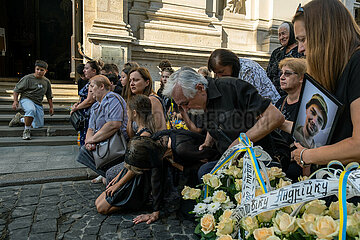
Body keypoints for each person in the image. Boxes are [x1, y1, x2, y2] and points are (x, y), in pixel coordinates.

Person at [162, 67, 284, 177]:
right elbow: (218, 121)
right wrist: (208, 142)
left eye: (186, 103)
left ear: (200, 88)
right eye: (181, 106)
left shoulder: (231, 87)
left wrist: (239, 143)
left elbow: (275, 117)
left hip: (265, 157)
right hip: (231, 160)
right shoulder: (200, 100)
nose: (185, 109)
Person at [291, 0, 360, 169]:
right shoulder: (343, 66)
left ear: (324, 33)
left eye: (304, 39)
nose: (300, 49)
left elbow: (358, 145)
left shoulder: (357, 63)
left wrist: (306, 155)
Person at [76, 75, 128, 178]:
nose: (90, 90)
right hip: (102, 143)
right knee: (83, 153)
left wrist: (92, 140)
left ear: (102, 86)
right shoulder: (95, 106)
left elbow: (114, 124)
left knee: (85, 153)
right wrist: (88, 140)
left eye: (92, 86)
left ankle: (115, 177)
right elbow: (90, 128)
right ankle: (109, 176)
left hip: (116, 143)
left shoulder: (112, 98)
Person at [208, 48, 280, 104]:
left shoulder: (248, 70)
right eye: (216, 73)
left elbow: (251, 100)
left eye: (221, 72)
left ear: (230, 64)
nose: (219, 76)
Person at [275, 58, 306, 181]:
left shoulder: (308, 104)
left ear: (301, 78)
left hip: (298, 161)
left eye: (287, 74)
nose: (282, 77)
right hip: (279, 156)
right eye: (281, 73)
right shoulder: (280, 102)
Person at [9, 60, 54, 140]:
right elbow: (16, 90)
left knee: (38, 125)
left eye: (41, 70)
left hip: (38, 103)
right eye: (37, 69)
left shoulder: (46, 82)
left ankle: (20, 119)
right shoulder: (27, 78)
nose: (39, 71)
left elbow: (49, 95)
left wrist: (51, 107)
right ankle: (26, 131)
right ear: (35, 69)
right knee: (31, 110)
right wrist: (15, 101)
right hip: (26, 99)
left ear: (46, 71)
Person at [125, 67, 166, 137]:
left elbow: (161, 130)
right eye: (130, 81)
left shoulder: (152, 100)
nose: (132, 84)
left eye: (136, 80)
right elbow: (130, 132)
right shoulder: (134, 101)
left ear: (147, 82)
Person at [267, 22, 303, 96]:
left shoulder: (300, 51)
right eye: (279, 35)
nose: (281, 37)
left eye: (283, 34)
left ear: (292, 33)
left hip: (292, 95)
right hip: (273, 94)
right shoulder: (276, 52)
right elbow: (268, 74)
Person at [70, 60, 100, 147]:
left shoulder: (95, 81)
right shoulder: (90, 81)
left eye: (87, 68)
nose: (84, 71)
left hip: (90, 114)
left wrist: (76, 108)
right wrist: (78, 103)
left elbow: (90, 100)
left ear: (94, 71)